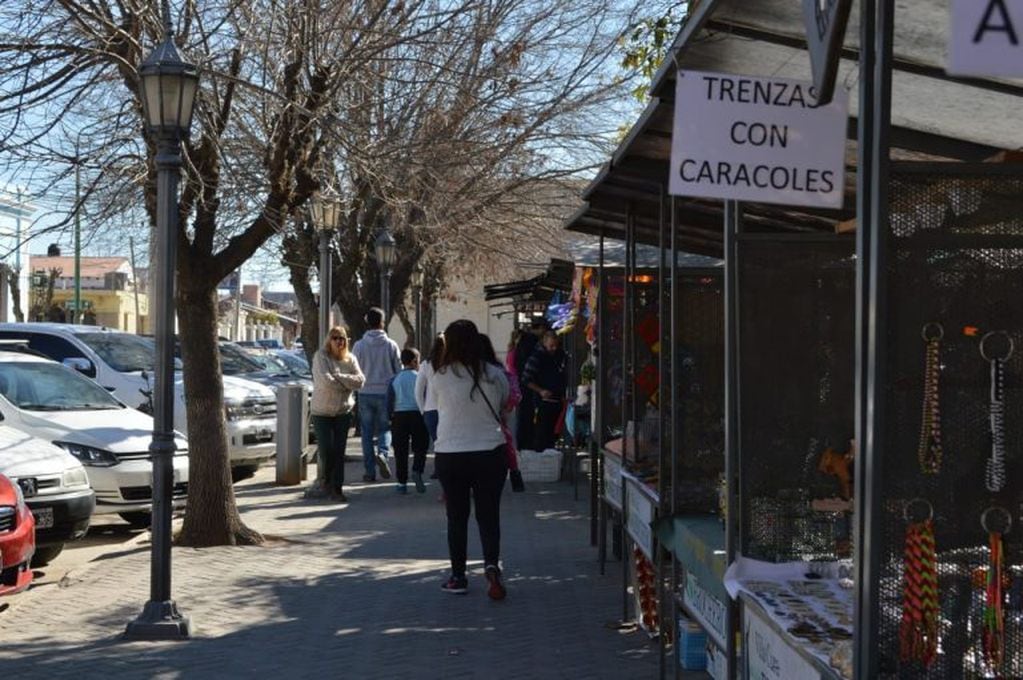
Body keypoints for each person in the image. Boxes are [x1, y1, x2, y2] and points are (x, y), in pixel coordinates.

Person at [432, 319, 510, 599]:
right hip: (490, 451)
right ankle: (491, 566)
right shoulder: (494, 373)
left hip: (450, 453)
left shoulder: (439, 375)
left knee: (457, 517)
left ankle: (458, 576)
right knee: (489, 515)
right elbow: (503, 406)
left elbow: (433, 407)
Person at [308, 326, 365, 501]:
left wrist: (339, 376)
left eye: (342, 338)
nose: (339, 341)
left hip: (343, 412)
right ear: (329, 340)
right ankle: (325, 481)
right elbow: (326, 381)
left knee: (339, 451)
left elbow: (360, 381)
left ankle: (337, 488)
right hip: (322, 412)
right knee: (326, 450)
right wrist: (346, 383)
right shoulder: (321, 357)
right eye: (335, 338)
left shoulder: (351, 358)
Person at [352, 307, 402, 482]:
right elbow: (398, 370)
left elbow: (353, 369)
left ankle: (369, 472)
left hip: (365, 392)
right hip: (385, 393)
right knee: (385, 428)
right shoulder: (391, 345)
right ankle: (383, 453)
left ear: (367, 322)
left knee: (366, 433)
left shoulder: (359, 345)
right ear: (382, 322)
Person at [479, 333, 522, 479]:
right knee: (505, 441)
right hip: (497, 415)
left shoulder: (465, 370)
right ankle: (514, 471)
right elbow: (508, 392)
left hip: (474, 418)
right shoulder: (497, 368)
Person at [387, 348, 429, 494]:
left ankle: (401, 482)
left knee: (400, 451)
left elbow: (389, 400)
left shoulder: (394, 379)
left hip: (399, 416)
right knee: (420, 447)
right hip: (418, 414)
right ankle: (417, 470)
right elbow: (425, 396)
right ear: (414, 361)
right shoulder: (420, 377)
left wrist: (389, 416)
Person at [520, 330, 568, 452]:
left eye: (556, 345)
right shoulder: (536, 357)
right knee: (542, 433)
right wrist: (541, 391)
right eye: (551, 346)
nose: (554, 348)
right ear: (544, 343)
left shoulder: (559, 356)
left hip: (558, 400)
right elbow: (526, 379)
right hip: (543, 401)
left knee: (554, 434)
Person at [415, 333, 445, 480]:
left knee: (437, 442)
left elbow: (418, 391)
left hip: (430, 410)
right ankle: (443, 468)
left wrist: (423, 410)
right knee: (447, 442)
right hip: (448, 409)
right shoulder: (451, 363)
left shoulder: (426, 364)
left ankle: (439, 468)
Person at [513, 319, 546, 449]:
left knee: (524, 413)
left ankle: (524, 442)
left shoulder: (523, 341)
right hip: (528, 383)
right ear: (540, 327)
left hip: (523, 383)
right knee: (528, 413)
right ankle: (527, 442)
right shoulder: (531, 342)